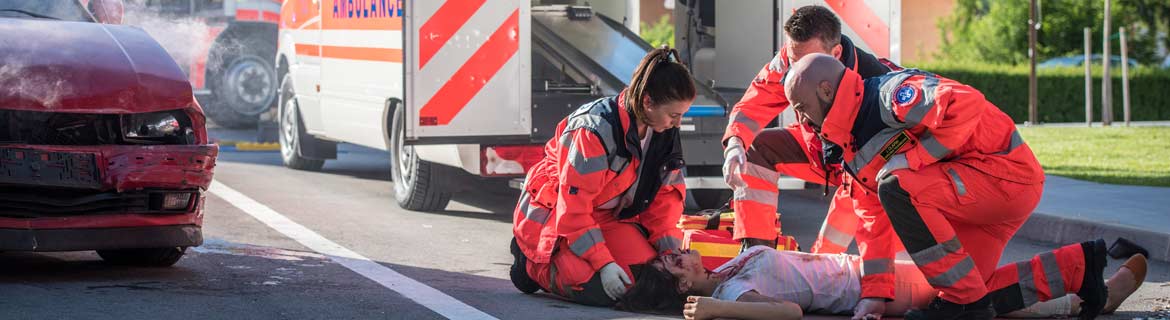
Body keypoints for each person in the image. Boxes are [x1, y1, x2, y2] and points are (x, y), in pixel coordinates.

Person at [781, 53, 1106, 320]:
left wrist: (913, 158)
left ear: (825, 90)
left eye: (800, 106)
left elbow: (967, 103)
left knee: (899, 186)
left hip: (1005, 176)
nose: (800, 117)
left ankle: (963, 303)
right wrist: (875, 296)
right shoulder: (851, 146)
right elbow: (872, 222)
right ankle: (1080, 268)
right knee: (972, 288)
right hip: (979, 195)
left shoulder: (888, 96)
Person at [509, 47, 696, 306]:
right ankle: (528, 263)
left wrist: (670, 256)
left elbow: (664, 203)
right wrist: (603, 262)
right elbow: (574, 210)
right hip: (557, 217)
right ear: (647, 102)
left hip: (606, 216)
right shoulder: (594, 131)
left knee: (647, 280)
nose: (677, 124)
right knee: (599, 288)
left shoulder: (662, 130)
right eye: (674, 115)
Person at [720, 5, 893, 254]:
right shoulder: (792, 60)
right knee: (756, 149)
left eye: (805, 62)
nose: (795, 73)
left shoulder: (876, 85)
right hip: (820, 152)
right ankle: (755, 256)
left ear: (836, 54)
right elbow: (756, 101)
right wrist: (735, 141)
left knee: (826, 257)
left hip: (863, 170)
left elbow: (871, 176)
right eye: (792, 61)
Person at [616, 243, 1148, 320]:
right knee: (989, 294)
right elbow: (791, 314)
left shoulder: (729, 266)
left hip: (874, 266)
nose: (680, 253)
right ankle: (1095, 292)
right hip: (877, 290)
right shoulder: (730, 293)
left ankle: (1093, 279)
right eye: (673, 264)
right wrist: (715, 311)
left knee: (985, 281)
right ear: (685, 290)